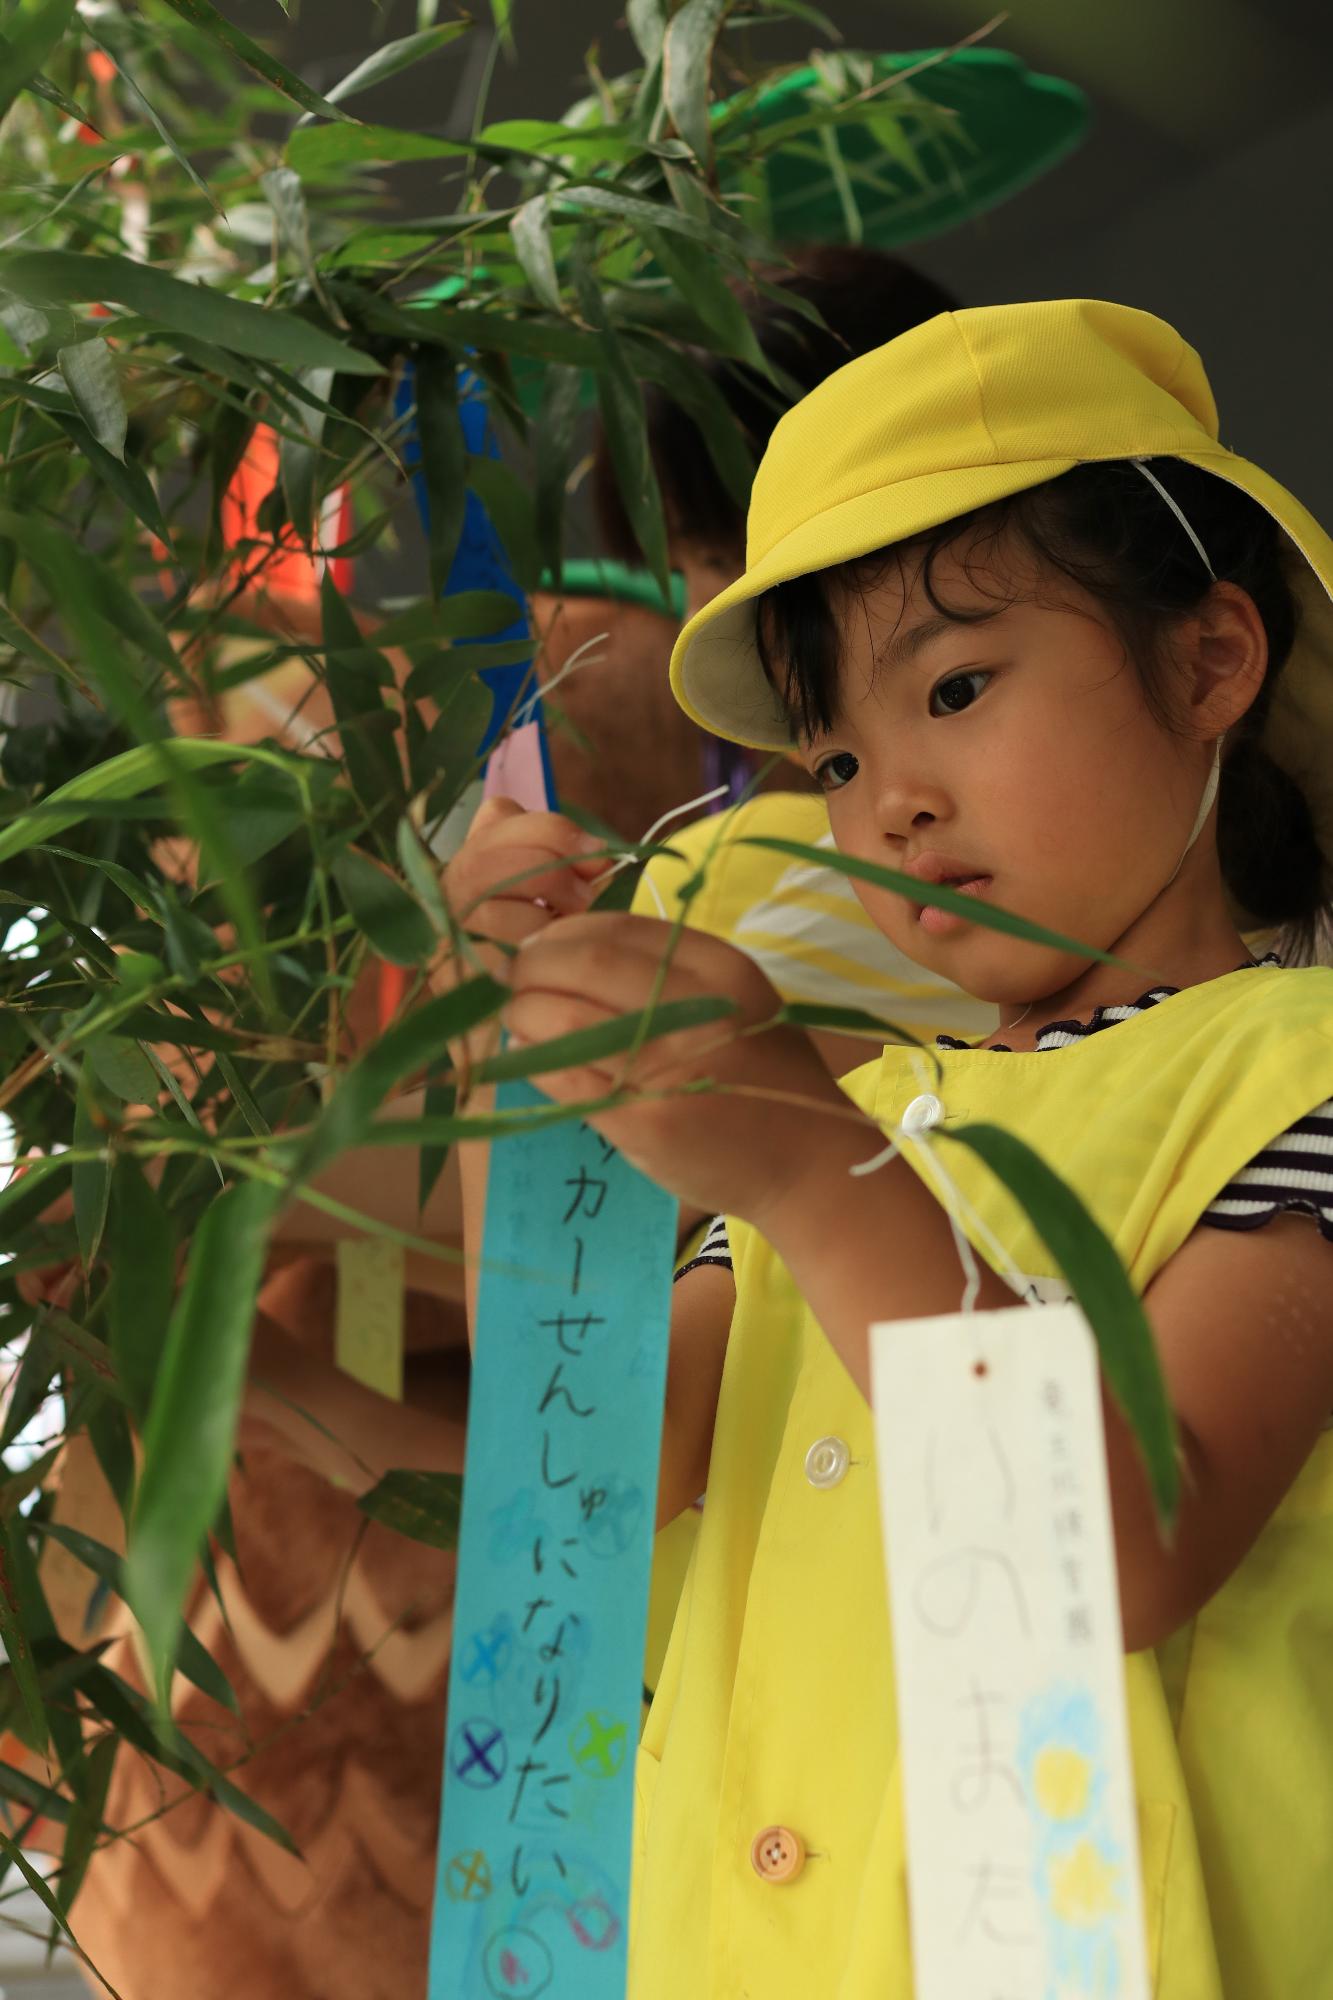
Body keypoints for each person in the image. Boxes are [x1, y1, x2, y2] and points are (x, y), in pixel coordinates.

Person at [446, 298, 1333, 1998]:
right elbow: (591, 1481)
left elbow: (1128, 1541)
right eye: (837, 753)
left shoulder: (1292, 1076)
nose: (887, 803)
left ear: (1211, 660)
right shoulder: (856, 1119)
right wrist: (523, 1065)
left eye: (956, 688)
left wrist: (800, 1166)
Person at [595, 243, 999, 1065]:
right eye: (685, 572)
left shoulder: (756, 887)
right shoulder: (724, 872)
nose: (701, 619)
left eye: (722, 555)